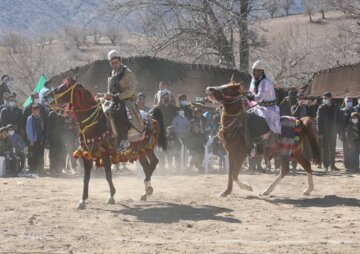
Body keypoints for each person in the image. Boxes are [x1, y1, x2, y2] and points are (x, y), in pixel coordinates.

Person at [102, 49, 145, 152]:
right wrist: (105, 95)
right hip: (113, 100)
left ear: (120, 60)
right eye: (112, 63)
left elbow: (131, 91)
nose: (114, 65)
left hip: (126, 101)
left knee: (119, 109)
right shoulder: (111, 73)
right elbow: (110, 89)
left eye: (116, 63)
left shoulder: (127, 73)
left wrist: (116, 97)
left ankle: (124, 138)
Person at [245, 60, 280, 135]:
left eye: (255, 71)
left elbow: (259, 98)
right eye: (253, 70)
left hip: (269, 110)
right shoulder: (258, 81)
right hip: (262, 108)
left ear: (260, 71)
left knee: (252, 118)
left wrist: (249, 96)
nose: (253, 73)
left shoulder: (264, 82)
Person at [316, 92, 340, 172]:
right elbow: (318, 121)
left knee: (333, 149)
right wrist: (320, 132)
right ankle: (326, 166)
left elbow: (338, 119)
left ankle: (332, 165)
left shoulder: (335, 107)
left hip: (333, 132)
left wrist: (337, 131)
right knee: (325, 149)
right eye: (323, 98)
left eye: (325, 98)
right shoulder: (321, 107)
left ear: (330, 98)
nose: (324, 100)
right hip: (324, 132)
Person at [26, 104, 46, 173]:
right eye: (36, 110)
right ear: (33, 111)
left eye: (38, 110)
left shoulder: (40, 118)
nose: (37, 112)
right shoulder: (30, 118)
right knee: (32, 155)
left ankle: (40, 168)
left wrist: (42, 139)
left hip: (39, 140)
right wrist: (31, 140)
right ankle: (32, 168)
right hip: (33, 141)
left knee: (40, 154)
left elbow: (42, 129)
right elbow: (29, 130)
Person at [338, 96, 355, 170]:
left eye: (350, 101)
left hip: (354, 133)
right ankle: (347, 165)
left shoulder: (354, 110)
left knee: (353, 149)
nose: (349, 102)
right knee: (346, 150)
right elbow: (339, 123)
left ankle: (353, 164)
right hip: (345, 133)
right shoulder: (342, 111)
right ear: (345, 102)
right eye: (347, 101)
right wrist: (340, 133)